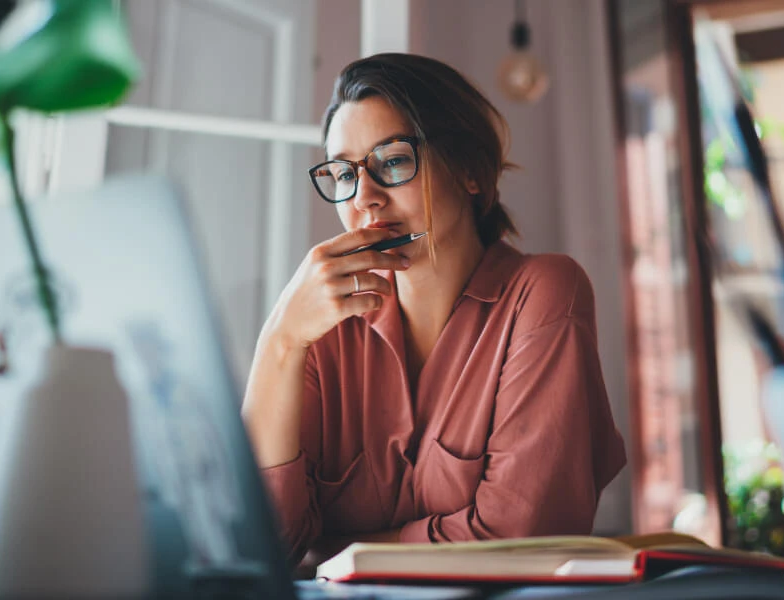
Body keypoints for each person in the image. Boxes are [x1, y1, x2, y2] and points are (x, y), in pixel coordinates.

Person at [241, 53, 626, 566]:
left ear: (468, 169)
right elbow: (260, 548)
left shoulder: (544, 293)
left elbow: (520, 537)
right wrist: (280, 341)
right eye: (343, 174)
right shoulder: (320, 328)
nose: (366, 200)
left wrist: (334, 551)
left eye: (393, 160)